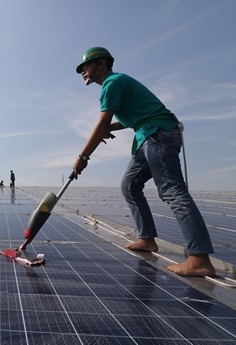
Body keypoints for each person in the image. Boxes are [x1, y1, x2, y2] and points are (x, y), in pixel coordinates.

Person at [72, 47, 215, 277]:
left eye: (86, 66)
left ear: (101, 63)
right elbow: (132, 117)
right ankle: (147, 239)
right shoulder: (117, 83)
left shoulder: (112, 83)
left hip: (158, 134)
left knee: (172, 191)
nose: (83, 72)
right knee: (129, 185)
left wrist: (83, 156)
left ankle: (199, 259)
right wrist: (109, 128)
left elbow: (102, 123)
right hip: (148, 135)